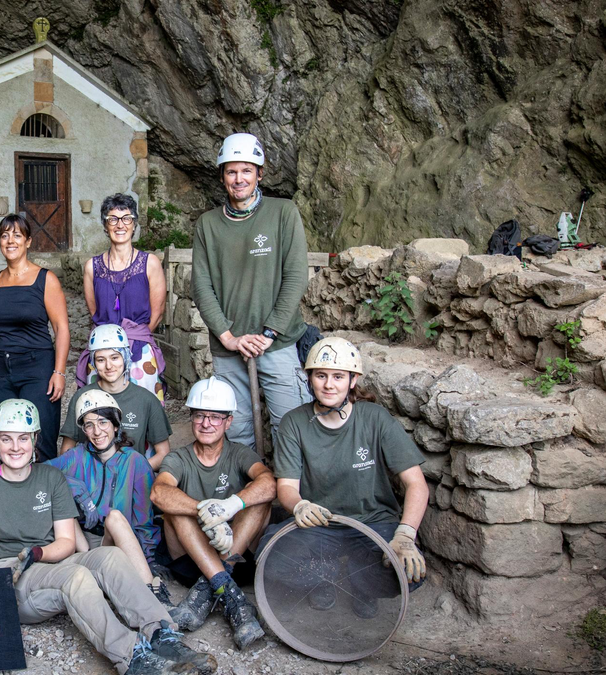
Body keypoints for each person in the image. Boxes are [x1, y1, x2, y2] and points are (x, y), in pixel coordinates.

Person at [0, 399, 216, 675]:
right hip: (10, 575)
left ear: (35, 439)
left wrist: (37, 554)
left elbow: (65, 542)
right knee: (76, 577)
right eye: (6, 439)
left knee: (111, 556)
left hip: (49, 563)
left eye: (23, 438)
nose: (15, 447)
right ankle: (132, 657)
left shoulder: (50, 478)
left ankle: (161, 634)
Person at [257, 337, 429, 618]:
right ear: (309, 378)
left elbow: (416, 484)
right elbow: (287, 487)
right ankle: (323, 578)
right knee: (271, 556)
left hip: (373, 522)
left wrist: (406, 534)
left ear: (352, 380)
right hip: (321, 523)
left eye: (338, 376)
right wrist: (300, 506)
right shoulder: (294, 423)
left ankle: (362, 586)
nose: (328, 384)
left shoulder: (375, 418)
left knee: (410, 572)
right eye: (320, 375)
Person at [191, 132, 311, 451]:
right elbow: (201, 285)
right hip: (229, 347)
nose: (239, 178)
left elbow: (296, 275)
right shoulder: (207, 225)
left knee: (291, 423)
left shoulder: (283, 213)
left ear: (260, 173)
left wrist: (270, 332)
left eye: (247, 170)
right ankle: (249, 496)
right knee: (237, 427)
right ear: (222, 177)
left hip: (278, 343)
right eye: (231, 171)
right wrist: (227, 336)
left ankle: (293, 498)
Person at [150, 378, 270, 649]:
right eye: (200, 415)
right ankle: (235, 601)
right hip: (189, 559)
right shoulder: (178, 458)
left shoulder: (240, 454)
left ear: (228, 422)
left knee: (259, 499)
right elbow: (158, 492)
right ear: (192, 418)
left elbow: (269, 483)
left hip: (234, 556)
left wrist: (230, 506)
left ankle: (208, 588)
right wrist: (205, 512)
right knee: (174, 506)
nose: (206, 423)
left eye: (215, 417)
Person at [48, 390, 179, 614]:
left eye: (103, 422)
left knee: (115, 517)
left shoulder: (136, 463)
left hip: (118, 544)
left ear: (116, 425)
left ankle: (148, 589)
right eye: (89, 425)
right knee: (59, 497)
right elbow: (38, 474)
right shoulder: (76, 456)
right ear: (83, 430)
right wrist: (76, 488)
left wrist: (147, 562)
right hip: (82, 547)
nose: (97, 431)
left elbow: (144, 521)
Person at [0, 214, 70, 462]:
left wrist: (59, 372)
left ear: (28, 241)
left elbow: (61, 328)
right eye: (5, 235)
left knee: (40, 438)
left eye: (17, 235)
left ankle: (45, 496)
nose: (10, 241)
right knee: (8, 438)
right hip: (0, 372)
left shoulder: (45, 279)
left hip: (36, 368)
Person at [79, 193, 168, 402]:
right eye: (113, 219)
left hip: (139, 351)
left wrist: (131, 341)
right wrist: (110, 347)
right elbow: (95, 312)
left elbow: (157, 313)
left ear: (134, 224)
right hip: (102, 353)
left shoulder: (150, 263)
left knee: (142, 410)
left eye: (126, 218)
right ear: (105, 225)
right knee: (101, 413)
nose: (120, 225)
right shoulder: (92, 267)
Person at [61, 324, 171, 469]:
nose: (109, 366)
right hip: (91, 480)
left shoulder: (147, 400)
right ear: (93, 363)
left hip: (132, 480)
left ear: (125, 358)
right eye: (101, 360)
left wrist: (133, 473)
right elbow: (66, 450)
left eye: (114, 357)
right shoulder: (81, 397)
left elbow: (163, 453)